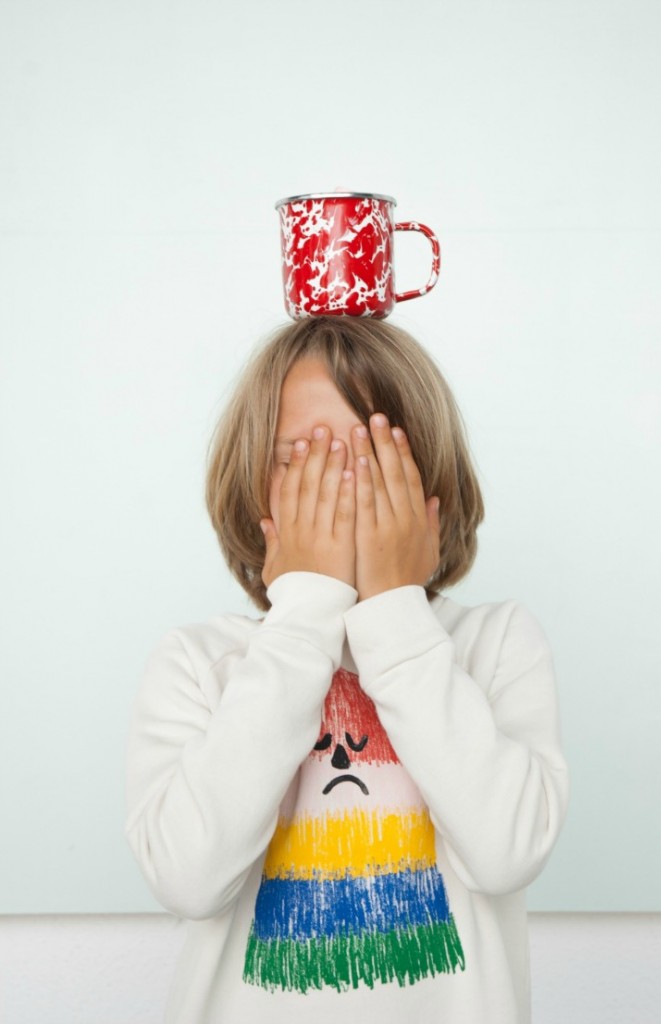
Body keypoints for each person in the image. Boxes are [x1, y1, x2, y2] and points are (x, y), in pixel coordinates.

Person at [125, 315, 569, 1024]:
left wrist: (393, 612)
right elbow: (188, 879)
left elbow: (506, 853)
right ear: (253, 489)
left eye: (371, 457)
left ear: (429, 481)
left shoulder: (494, 645)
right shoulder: (200, 664)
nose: (337, 490)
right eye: (302, 460)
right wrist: (304, 614)